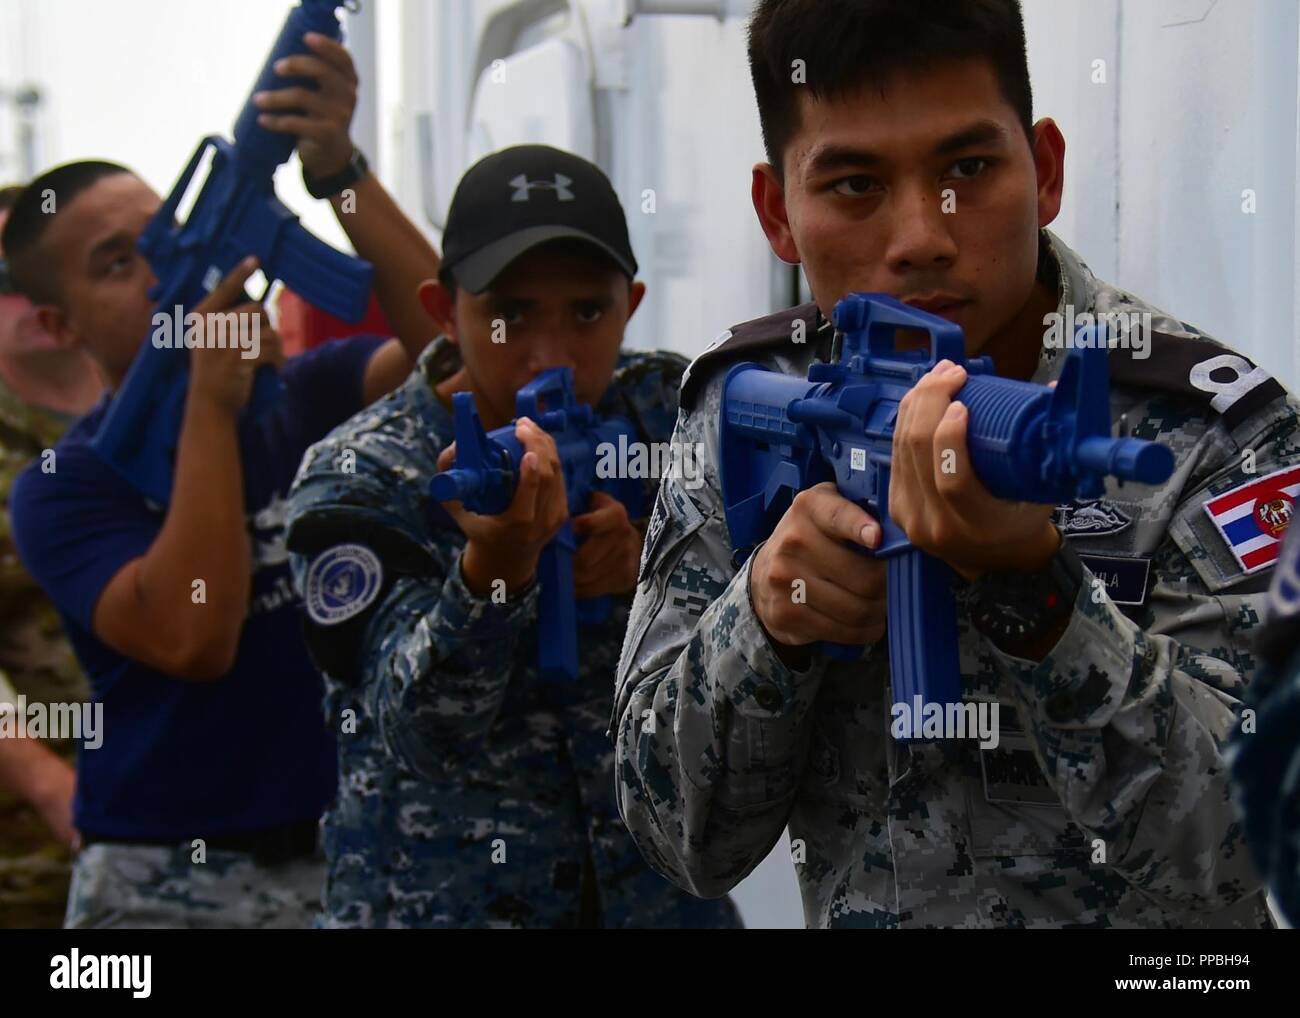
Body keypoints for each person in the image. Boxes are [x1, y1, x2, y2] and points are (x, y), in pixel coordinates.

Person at [613, 0, 1290, 928]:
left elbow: (1259, 840)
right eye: (854, 184)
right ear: (777, 213)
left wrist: (1044, 604)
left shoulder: (1212, 431)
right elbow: (676, 842)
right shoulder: (749, 400)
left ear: (1045, 171)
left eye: (967, 169)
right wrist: (767, 621)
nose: (922, 235)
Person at [1, 33, 440, 928]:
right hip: (160, 890)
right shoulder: (64, 484)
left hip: (342, 857)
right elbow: (196, 636)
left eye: (166, 236)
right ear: (57, 321)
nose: (161, 271)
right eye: (117, 262)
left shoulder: (305, 395)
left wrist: (340, 171)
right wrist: (209, 405)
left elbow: (462, 353)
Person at [284, 144, 741, 928]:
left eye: (588, 312)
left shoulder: (671, 410)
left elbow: (785, 576)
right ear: (441, 309)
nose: (551, 353)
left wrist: (654, 564)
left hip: (656, 897)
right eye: (509, 314)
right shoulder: (361, 477)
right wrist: (494, 577)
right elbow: (419, 734)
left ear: (630, 304)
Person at [0, 183, 100, 928]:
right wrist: (41, 780)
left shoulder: (176, 408)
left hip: (200, 829)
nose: (24, 298)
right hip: (34, 855)